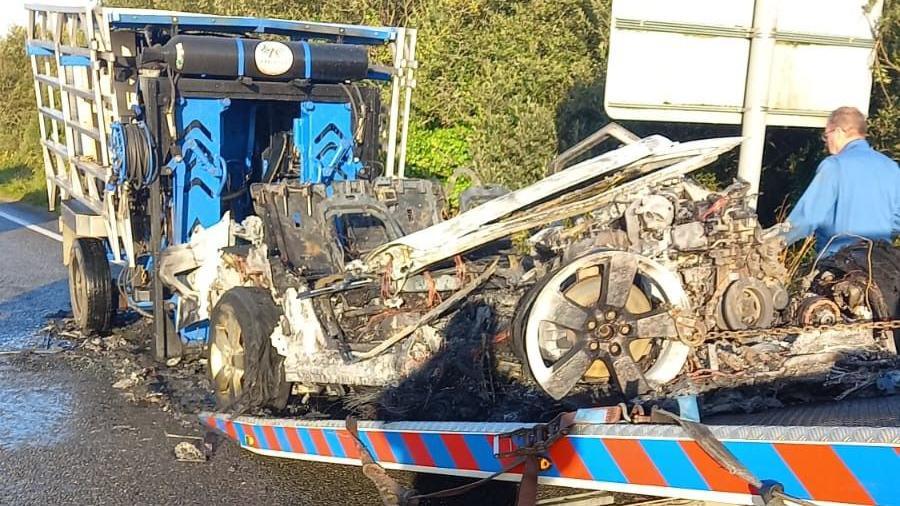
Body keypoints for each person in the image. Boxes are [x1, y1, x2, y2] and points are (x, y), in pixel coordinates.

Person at [779, 106, 900, 256]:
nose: (825, 141)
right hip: (881, 265)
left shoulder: (834, 165)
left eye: (826, 135)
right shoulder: (891, 167)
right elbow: (896, 221)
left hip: (839, 264)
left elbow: (807, 217)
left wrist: (775, 241)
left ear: (837, 131)